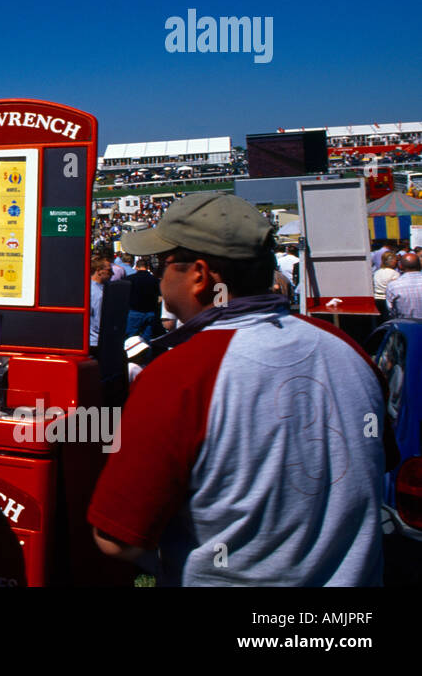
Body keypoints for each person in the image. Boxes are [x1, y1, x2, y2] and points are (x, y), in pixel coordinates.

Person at [88, 192, 390, 585]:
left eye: (163, 265)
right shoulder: (348, 348)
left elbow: (116, 538)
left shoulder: (178, 373)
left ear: (198, 275)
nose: (160, 279)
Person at [124, 258, 160, 340]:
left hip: (134, 311)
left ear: (136, 267)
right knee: (147, 338)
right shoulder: (155, 280)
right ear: (147, 267)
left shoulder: (129, 279)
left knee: (131, 338)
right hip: (150, 311)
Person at [385, 252, 422, 319]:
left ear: (401, 266)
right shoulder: (393, 286)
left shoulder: (393, 286)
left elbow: (391, 310)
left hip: (404, 326)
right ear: (420, 265)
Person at [89, 256, 111, 357]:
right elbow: (100, 322)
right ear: (99, 271)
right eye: (109, 271)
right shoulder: (99, 294)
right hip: (96, 342)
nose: (112, 274)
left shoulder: (86, 286)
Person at [373, 250, 401, 318]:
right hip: (387, 301)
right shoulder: (395, 274)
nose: (397, 262)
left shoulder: (377, 272)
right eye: (396, 260)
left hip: (376, 300)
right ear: (391, 261)